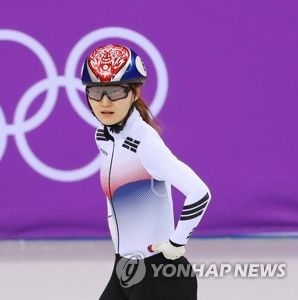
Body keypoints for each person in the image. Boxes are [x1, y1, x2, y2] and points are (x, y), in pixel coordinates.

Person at [81, 44, 211, 300]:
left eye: (116, 91)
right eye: (97, 91)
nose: (104, 102)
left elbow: (199, 193)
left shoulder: (145, 142)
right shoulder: (104, 138)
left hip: (160, 273)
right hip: (125, 267)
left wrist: (177, 242)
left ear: (135, 92)